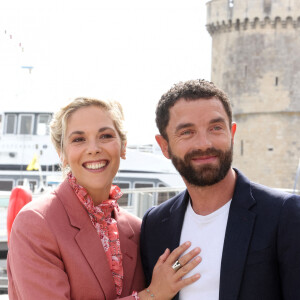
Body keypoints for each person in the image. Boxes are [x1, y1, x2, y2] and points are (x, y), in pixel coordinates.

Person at [7, 97, 201, 300]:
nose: (93, 148)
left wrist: (181, 265)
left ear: (123, 146)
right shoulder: (36, 223)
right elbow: (157, 290)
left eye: (105, 136)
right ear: (62, 153)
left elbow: (167, 278)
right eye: (78, 139)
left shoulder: (137, 229)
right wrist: (151, 295)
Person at [140, 79, 300, 300]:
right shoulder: (154, 224)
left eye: (215, 128)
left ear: (232, 133)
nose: (204, 143)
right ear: (164, 146)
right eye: (187, 132)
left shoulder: (284, 213)